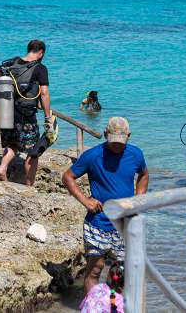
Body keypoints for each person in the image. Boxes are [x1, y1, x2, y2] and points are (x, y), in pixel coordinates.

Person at [62, 117, 149, 297]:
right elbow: (68, 177)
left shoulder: (135, 154)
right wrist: (85, 200)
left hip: (124, 224)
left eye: (121, 142)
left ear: (129, 136)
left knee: (120, 272)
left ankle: (113, 306)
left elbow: (144, 174)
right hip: (97, 224)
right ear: (104, 135)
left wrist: (138, 200)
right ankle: (92, 307)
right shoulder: (92, 156)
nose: (117, 146)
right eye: (113, 141)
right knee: (95, 269)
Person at [0, 40, 52, 186]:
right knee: (33, 151)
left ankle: (2, 168)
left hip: (6, 109)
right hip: (26, 113)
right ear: (41, 53)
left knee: (13, 143)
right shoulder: (40, 68)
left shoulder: (12, 62)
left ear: (29, 49)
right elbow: (44, 93)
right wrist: (48, 117)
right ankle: (29, 185)